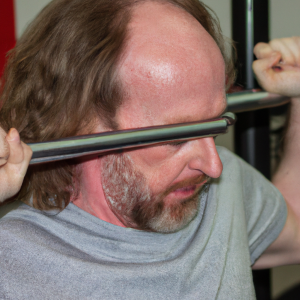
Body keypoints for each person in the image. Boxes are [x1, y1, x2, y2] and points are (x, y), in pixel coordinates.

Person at [0, 0, 298, 298]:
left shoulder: (222, 190)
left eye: (215, 126)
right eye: (178, 136)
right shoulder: (13, 258)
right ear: (77, 121)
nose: (213, 166)